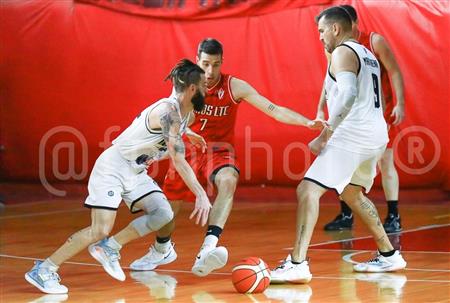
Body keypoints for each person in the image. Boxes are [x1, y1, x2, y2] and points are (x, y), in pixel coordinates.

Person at [95, 38, 323, 278]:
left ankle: (208, 248)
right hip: (188, 153)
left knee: (228, 180)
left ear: (222, 62)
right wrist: (189, 133)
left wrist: (306, 122)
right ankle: (162, 248)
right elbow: (176, 120)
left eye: (216, 64)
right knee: (165, 214)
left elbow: (273, 109)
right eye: (205, 64)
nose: (210, 71)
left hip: (219, 151)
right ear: (197, 61)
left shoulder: (235, 86)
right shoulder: (189, 85)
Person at [24, 59, 212, 294]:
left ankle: (110, 247)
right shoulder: (167, 111)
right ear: (193, 89)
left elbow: (174, 130)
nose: (207, 90)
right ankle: (44, 269)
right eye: (205, 85)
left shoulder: (186, 116)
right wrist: (201, 194)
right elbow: (178, 158)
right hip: (113, 168)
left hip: (135, 170)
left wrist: (189, 134)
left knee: (163, 213)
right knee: (99, 229)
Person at [271, 6, 406, 284]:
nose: (319, 37)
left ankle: (297, 263)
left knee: (307, 189)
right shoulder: (366, 53)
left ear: (335, 28)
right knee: (352, 193)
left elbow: (347, 94)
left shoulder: (343, 52)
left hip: (352, 135)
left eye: (321, 31)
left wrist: (325, 134)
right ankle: (389, 254)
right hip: (376, 135)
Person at [318, 5, 405, 233]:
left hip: (377, 114)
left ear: (352, 23)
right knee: (343, 163)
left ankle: (394, 215)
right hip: (350, 118)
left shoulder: (373, 42)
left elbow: (394, 71)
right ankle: (346, 214)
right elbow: (330, 80)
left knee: (386, 162)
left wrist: (400, 103)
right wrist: (320, 109)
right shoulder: (336, 49)